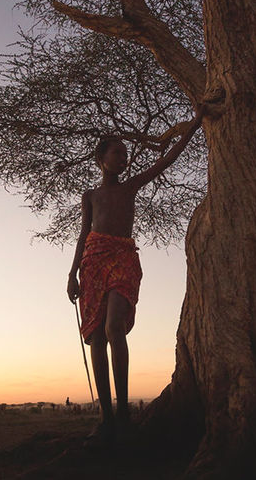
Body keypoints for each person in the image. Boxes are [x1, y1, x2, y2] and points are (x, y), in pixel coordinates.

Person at [67, 107, 204, 443]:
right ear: (101, 159)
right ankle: (107, 417)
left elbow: (166, 160)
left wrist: (197, 121)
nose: (123, 159)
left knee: (115, 326)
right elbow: (84, 233)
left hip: (124, 259)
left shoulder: (129, 188)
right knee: (96, 336)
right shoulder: (90, 196)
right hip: (93, 260)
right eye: (117, 153)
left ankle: (124, 414)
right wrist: (72, 274)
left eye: (125, 154)